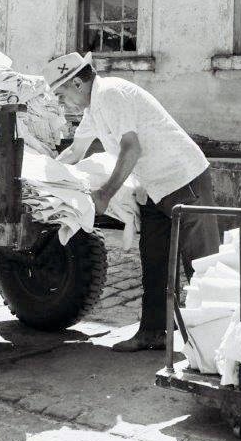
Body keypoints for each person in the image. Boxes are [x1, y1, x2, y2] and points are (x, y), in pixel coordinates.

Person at [45, 52, 220, 352]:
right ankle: (154, 332)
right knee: (154, 260)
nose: (63, 103)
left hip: (185, 180)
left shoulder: (111, 94)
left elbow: (131, 148)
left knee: (201, 265)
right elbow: (76, 151)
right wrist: (43, 175)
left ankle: (219, 343)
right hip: (154, 187)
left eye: (61, 94)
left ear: (77, 83)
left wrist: (104, 194)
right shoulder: (92, 110)